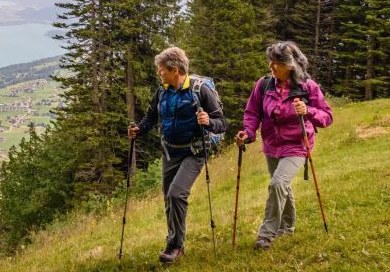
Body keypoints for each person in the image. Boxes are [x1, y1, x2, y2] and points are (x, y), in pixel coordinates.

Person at [128, 47, 226, 263]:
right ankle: (174, 239)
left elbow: (222, 124)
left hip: (194, 152)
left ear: (174, 70)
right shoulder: (162, 90)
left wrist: (208, 122)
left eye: (160, 69)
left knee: (176, 194)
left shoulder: (200, 90)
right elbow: (152, 116)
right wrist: (139, 130)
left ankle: (175, 246)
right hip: (169, 151)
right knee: (169, 198)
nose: (158, 73)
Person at [236, 41, 333, 250]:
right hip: (272, 145)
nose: (271, 67)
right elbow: (253, 112)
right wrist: (249, 133)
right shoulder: (263, 85)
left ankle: (266, 234)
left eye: (276, 63)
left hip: (297, 145)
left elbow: (327, 116)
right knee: (282, 185)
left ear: (289, 65)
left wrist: (308, 110)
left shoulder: (308, 87)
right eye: (270, 62)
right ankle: (287, 227)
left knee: (278, 184)